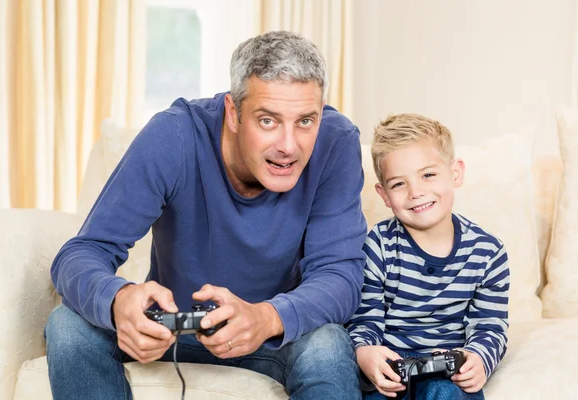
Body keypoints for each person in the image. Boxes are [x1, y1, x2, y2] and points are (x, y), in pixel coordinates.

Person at [44, 30, 367, 400]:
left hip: (275, 337)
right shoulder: (174, 135)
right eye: (267, 121)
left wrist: (266, 318)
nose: (289, 146)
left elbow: (340, 276)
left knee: (328, 343)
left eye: (306, 121)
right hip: (174, 331)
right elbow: (81, 253)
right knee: (68, 325)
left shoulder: (337, 142)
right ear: (234, 112)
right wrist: (119, 300)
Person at [346, 113, 510, 400]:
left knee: (444, 393)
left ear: (455, 173)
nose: (416, 192)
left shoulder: (488, 252)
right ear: (384, 195)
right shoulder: (379, 244)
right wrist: (365, 351)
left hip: (447, 370)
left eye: (428, 175)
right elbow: (365, 318)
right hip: (391, 368)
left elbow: (490, 326)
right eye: (399, 184)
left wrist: (479, 358)